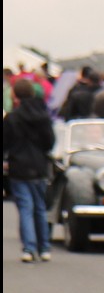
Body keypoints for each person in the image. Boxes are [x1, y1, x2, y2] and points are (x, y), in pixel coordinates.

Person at [4, 79, 55, 263]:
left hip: (18, 166)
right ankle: (45, 248)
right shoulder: (43, 117)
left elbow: (5, 143)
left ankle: (28, 248)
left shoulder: (12, 118)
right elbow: (50, 142)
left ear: (15, 96)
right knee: (40, 208)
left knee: (25, 208)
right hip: (39, 166)